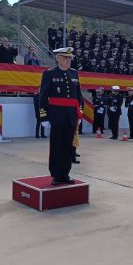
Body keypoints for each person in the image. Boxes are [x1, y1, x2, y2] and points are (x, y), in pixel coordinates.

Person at [38, 47, 83, 185]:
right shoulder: (49, 74)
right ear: (58, 58)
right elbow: (43, 97)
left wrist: (79, 113)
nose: (69, 60)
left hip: (71, 116)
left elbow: (78, 96)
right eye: (66, 58)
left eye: (70, 58)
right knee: (57, 146)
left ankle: (66, 173)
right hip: (56, 115)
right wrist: (44, 117)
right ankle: (56, 174)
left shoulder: (74, 74)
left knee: (68, 147)